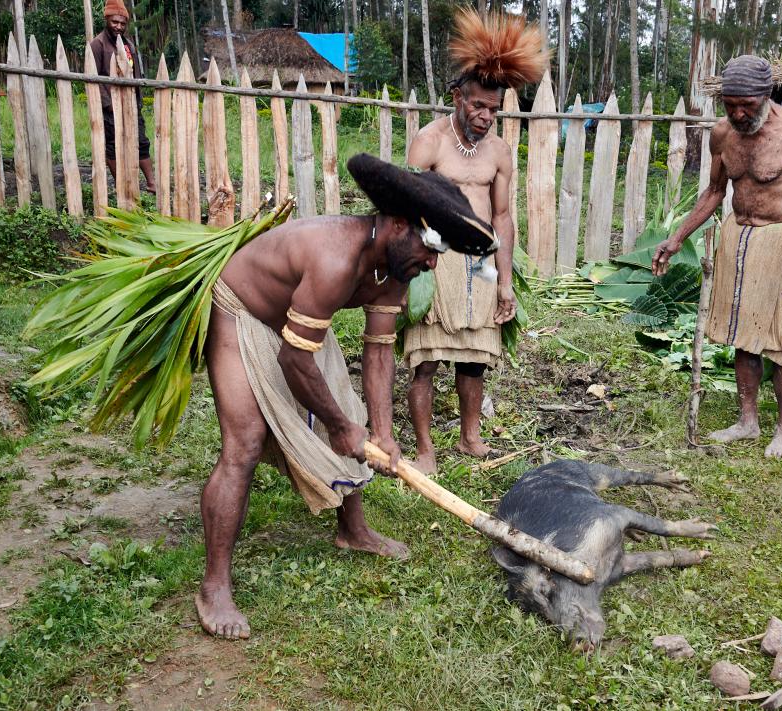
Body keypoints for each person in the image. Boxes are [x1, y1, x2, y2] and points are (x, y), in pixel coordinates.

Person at [198, 154, 498, 639]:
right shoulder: (335, 255)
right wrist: (340, 427)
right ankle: (214, 586)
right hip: (241, 311)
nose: (433, 262)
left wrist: (378, 430)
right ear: (399, 224)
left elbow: (379, 353)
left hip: (299, 326)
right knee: (245, 445)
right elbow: (293, 362)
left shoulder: (398, 268)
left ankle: (352, 530)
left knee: (356, 414)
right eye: (432, 246)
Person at [651, 55, 782, 459]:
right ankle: (748, 421)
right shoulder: (723, 134)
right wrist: (677, 237)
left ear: (766, 96)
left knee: (781, 340)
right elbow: (715, 193)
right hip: (737, 237)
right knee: (741, 335)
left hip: (781, 240)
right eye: (730, 104)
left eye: (746, 105)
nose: (737, 113)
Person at [403, 9, 548, 473]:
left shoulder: (501, 152)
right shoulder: (429, 143)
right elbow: (406, 211)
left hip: (482, 263)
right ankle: (426, 450)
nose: (486, 117)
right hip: (435, 260)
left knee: (474, 360)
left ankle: (470, 437)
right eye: (478, 107)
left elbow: (503, 217)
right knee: (425, 360)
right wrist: (415, 267)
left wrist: (505, 280)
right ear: (457, 97)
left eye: (494, 110)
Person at [88, 0, 156, 193]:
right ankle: (122, 185)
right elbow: (94, 78)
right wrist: (108, 105)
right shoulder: (98, 44)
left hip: (131, 104)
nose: (118, 26)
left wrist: (138, 100)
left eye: (122, 23)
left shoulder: (128, 45)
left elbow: (136, 75)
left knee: (141, 141)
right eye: (114, 22)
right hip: (110, 107)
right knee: (113, 145)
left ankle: (152, 183)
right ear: (106, 20)